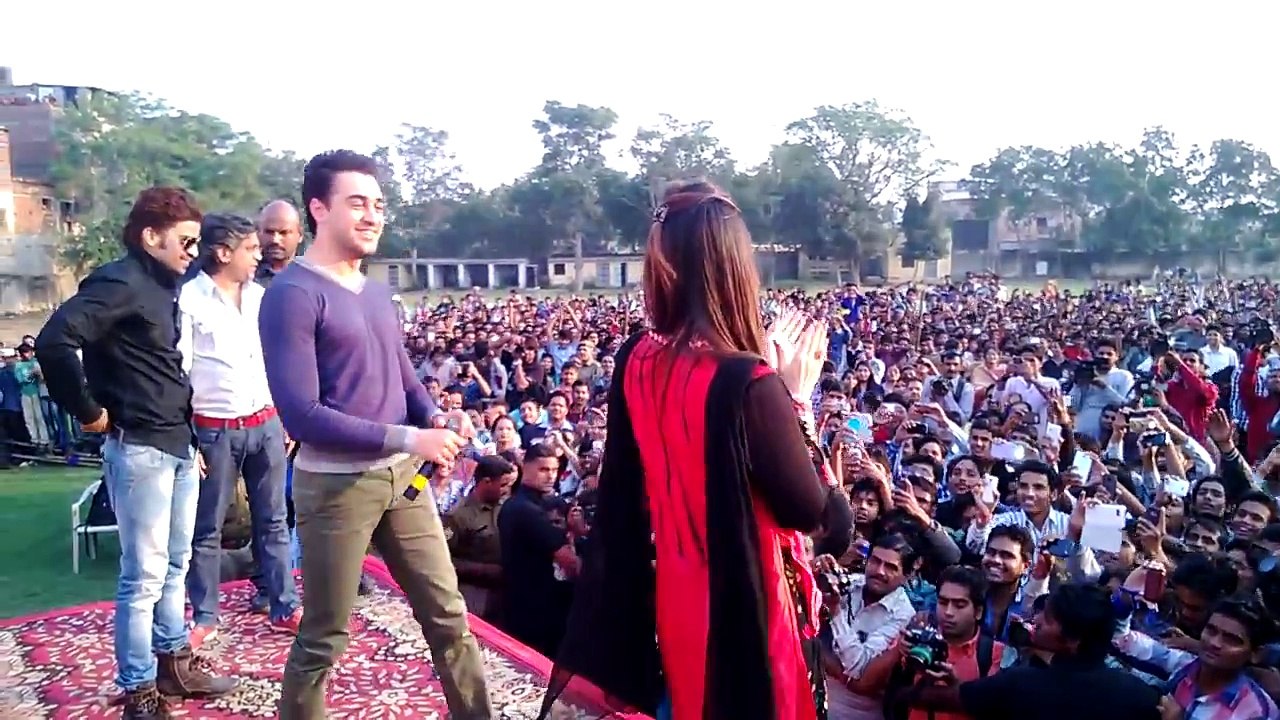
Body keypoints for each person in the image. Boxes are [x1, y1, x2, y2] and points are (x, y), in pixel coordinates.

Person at [541, 181, 848, 719]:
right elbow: (819, 519)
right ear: (735, 265)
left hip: (676, 593)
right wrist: (798, 401)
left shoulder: (637, 355)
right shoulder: (750, 382)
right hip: (748, 600)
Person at [259, 150, 492, 720]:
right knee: (324, 635)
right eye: (356, 203)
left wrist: (433, 416)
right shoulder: (291, 295)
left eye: (378, 205)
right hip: (337, 489)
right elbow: (303, 415)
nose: (372, 216)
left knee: (448, 615)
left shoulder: (377, 290)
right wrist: (411, 440)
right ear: (319, 208)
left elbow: (401, 373)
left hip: (401, 484)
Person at [35, 188, 238, 719]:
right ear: (151, 236)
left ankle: (172, 664)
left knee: (174, 565)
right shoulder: (120, 282)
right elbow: (55, 341)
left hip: (175, 445)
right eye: (186, 241)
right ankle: (139, 690)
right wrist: (87, 411)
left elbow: (163, 373)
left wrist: (188, 441)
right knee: (144, 576)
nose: (193, 251)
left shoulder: (163, 287)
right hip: (139, 450)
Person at [178, 213, 300, 649]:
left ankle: (283, 604)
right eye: (249, 248)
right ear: (223, 253)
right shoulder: (188, 300)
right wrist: (187, 438)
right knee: (207, 527)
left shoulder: (262, 297)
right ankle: (205, 615)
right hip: (214, 430)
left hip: (265, 423)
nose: (258, 254)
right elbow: (181, 373)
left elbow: (274, 362)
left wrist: (283, 414)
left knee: (274, 520)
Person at [905, 583, 1163, 720]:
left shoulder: (1021, 684)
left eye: (1048, 619)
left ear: (1072, 639)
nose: (1036, 621)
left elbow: (929, 698)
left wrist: (907, 680)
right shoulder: (1141, 697)